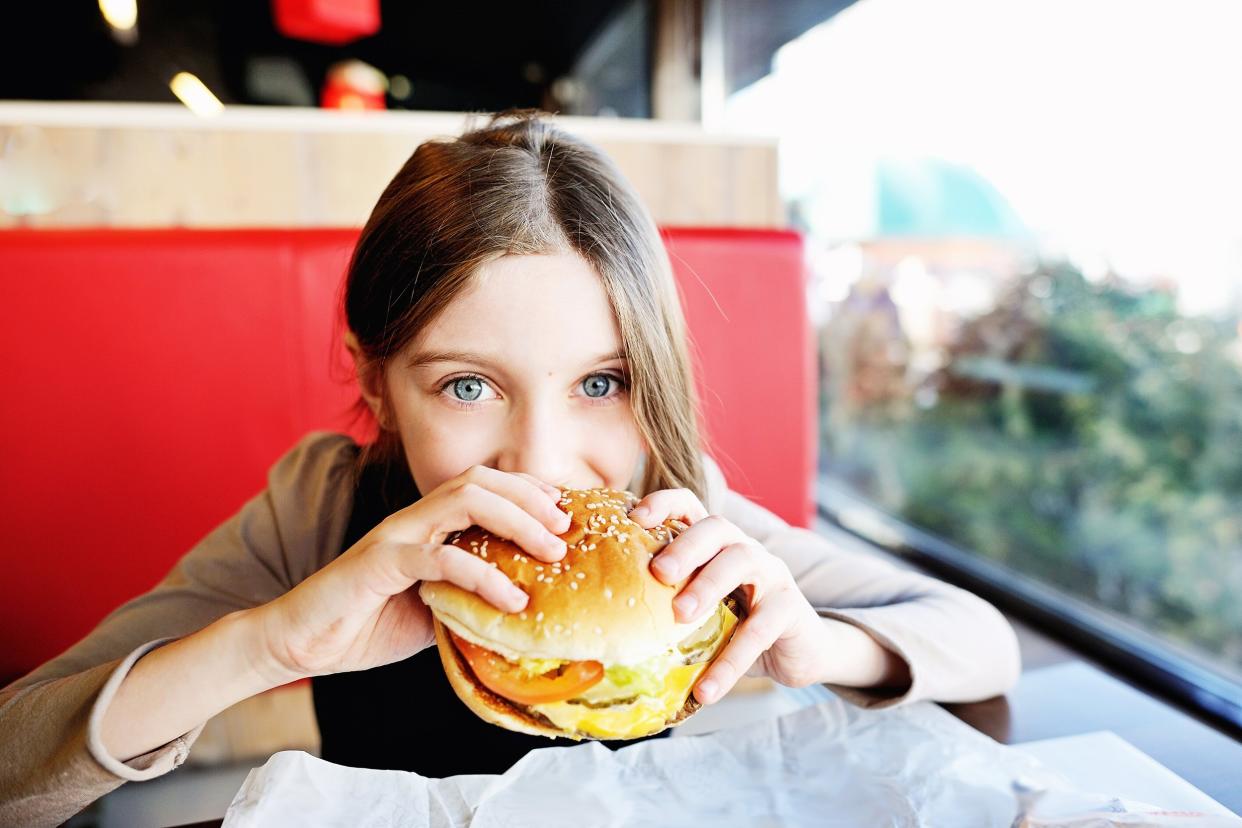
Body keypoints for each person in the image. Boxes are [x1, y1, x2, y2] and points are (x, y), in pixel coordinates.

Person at [0, 110, 1020, 826]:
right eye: (466, 388)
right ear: (378, 382)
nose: (544, 466)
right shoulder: (323, 509)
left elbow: (983, 645)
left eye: (602, 383)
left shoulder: (675, 510)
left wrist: (814, 649)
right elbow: (16, 768)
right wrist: (267, 643)